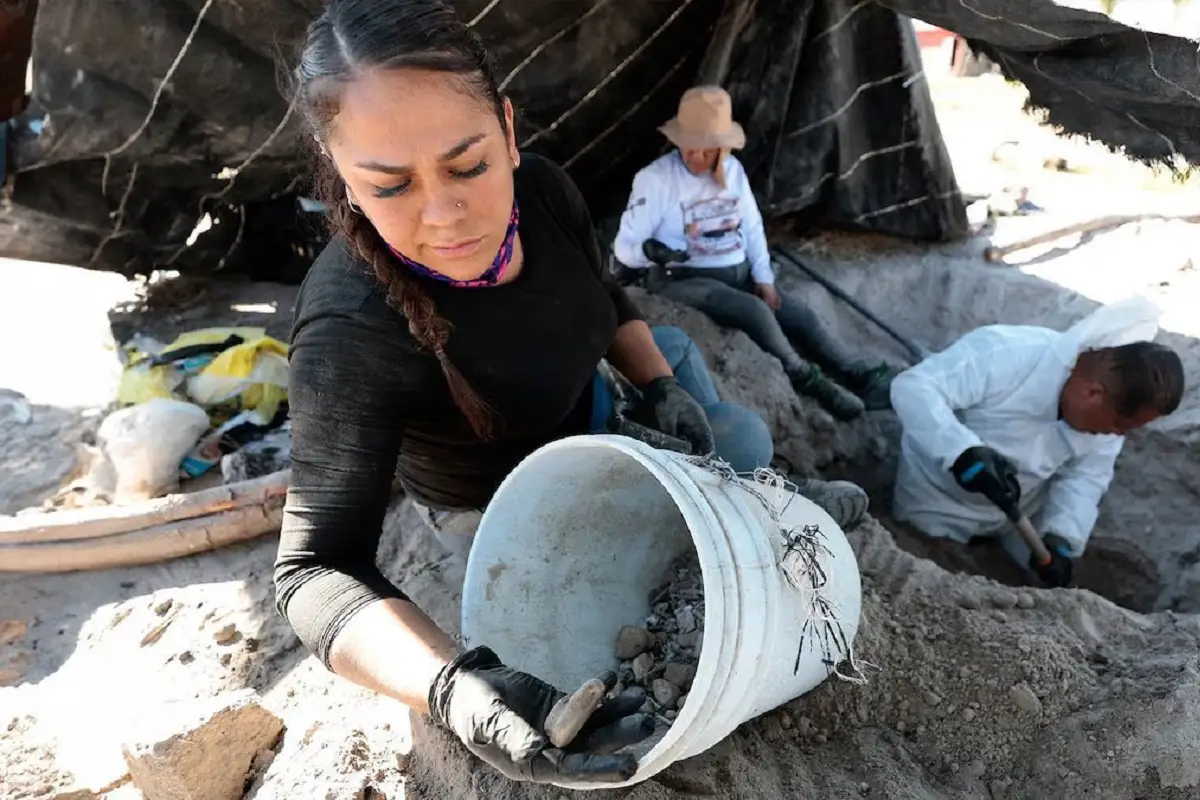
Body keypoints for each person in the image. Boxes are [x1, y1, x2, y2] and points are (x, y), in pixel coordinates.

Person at [273, 0, 866, 786]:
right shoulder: (350, 331)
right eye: (388, 187)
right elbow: (314, 572)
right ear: (338, 173)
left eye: (468, 165)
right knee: (585, 621)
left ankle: (766, 494)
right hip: (511, 505)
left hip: (593, 413)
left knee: (733, 427)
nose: (444, 216)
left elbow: (607, 297)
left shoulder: (547, 195)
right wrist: (454, 687)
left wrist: (658, 389)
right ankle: (742, 486)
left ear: (510, 132)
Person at [611, 85, 894, 422]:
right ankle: (806, 376)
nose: (696, 157)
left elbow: (753, 225)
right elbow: (624, 247)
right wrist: (648, 252)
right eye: (689, 147)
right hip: (683, 278)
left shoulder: (732, 172)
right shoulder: (655, 180)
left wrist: (764, 276)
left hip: (738, 269)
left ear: (722, 146)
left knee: (800, 314)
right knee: (753, 311)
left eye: (706, 150)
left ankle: (854, 371)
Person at [890, 296, 1184, 588]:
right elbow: (915, 387)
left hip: (1019, 514)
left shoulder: (1107, 421)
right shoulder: (1006, 353)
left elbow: (1085, 478)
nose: (1118, 435)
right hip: (934, 501)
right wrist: (961, 451)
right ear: (1093, 394)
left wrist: (1062, 538)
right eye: (1120, 424)